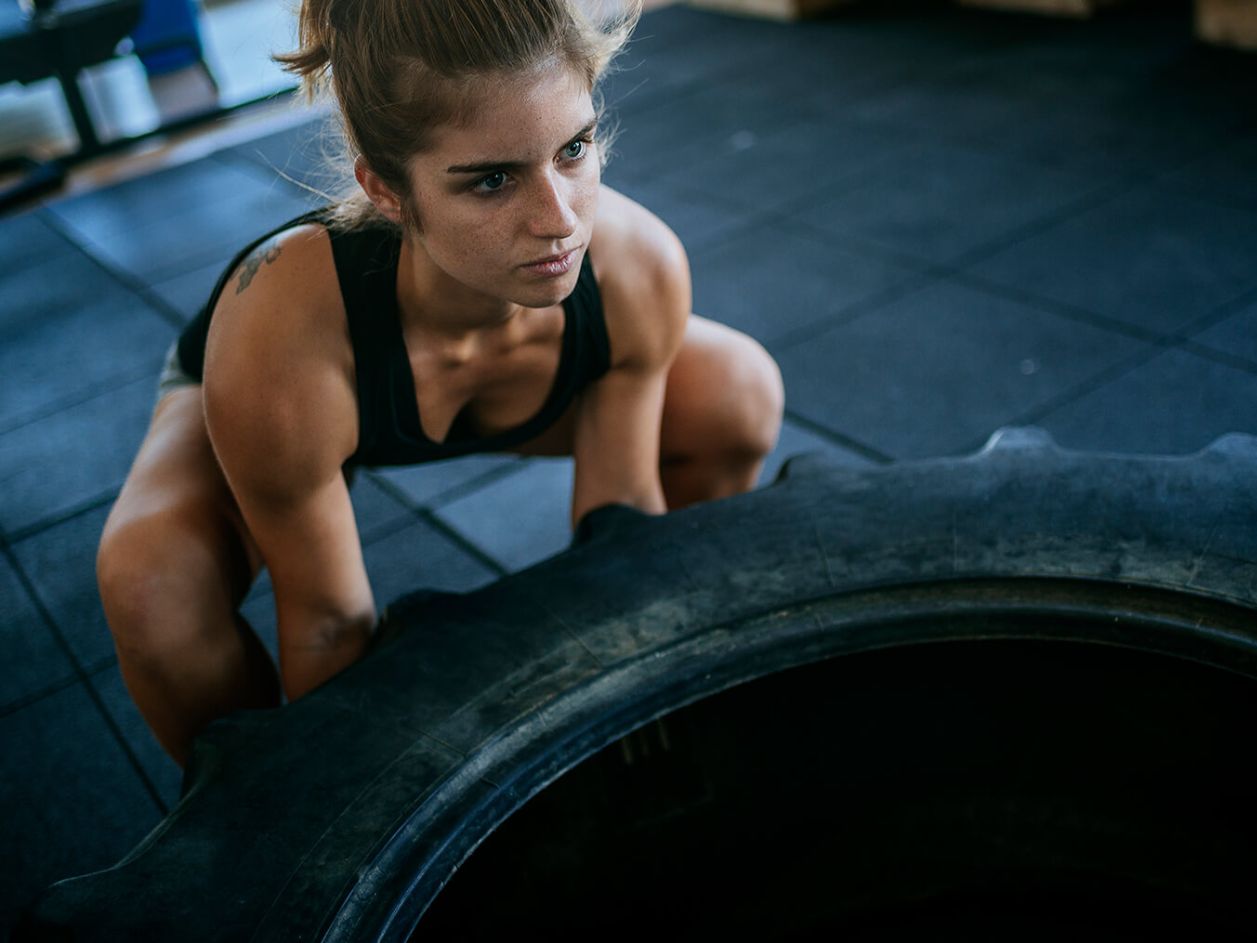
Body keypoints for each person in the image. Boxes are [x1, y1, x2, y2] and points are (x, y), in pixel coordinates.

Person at [95, 0, 784, 766]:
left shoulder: (638, 265)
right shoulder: (277, 337)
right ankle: (241, 808)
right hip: (309, 393)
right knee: (152, 587)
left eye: (573, 148)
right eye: (492, 181)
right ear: (387, 190)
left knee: (737, 391)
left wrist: (640, 710)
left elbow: (617, 530)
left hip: (511, 375)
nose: (559, 220)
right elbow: (329, 623)